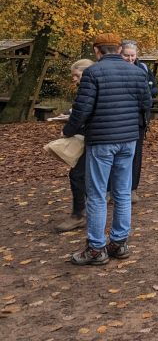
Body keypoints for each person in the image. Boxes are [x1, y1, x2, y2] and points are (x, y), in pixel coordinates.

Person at [63, 33, 152, 265]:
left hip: (101, 140)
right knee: (122, 192)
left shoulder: (93, 73)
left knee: (97, 194)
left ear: (97, 50)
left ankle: (96, 248)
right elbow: (146, 104)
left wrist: (68, 131)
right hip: (129, 139)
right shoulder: (136, 72)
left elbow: (82, 109)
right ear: (119, 49)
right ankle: (119, 242)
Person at [54, 59, 94, 233]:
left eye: (76, 75)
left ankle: (79, 215)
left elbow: (83, 112)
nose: (74, 79)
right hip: (98, 136)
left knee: (78, 175)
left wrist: (67, 130)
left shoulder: (89, 87)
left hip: (94, 137)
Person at [119, 40, 158, 203]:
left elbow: (154, 89)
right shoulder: (115, 70)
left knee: (135, 154)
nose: (130, 59)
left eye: (132, 55)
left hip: (138, 119)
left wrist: (147, 92)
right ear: (120, 54)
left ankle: (132, 189)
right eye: (126, 55)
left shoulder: (143, 68)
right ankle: (112, 189)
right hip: (118, 119)